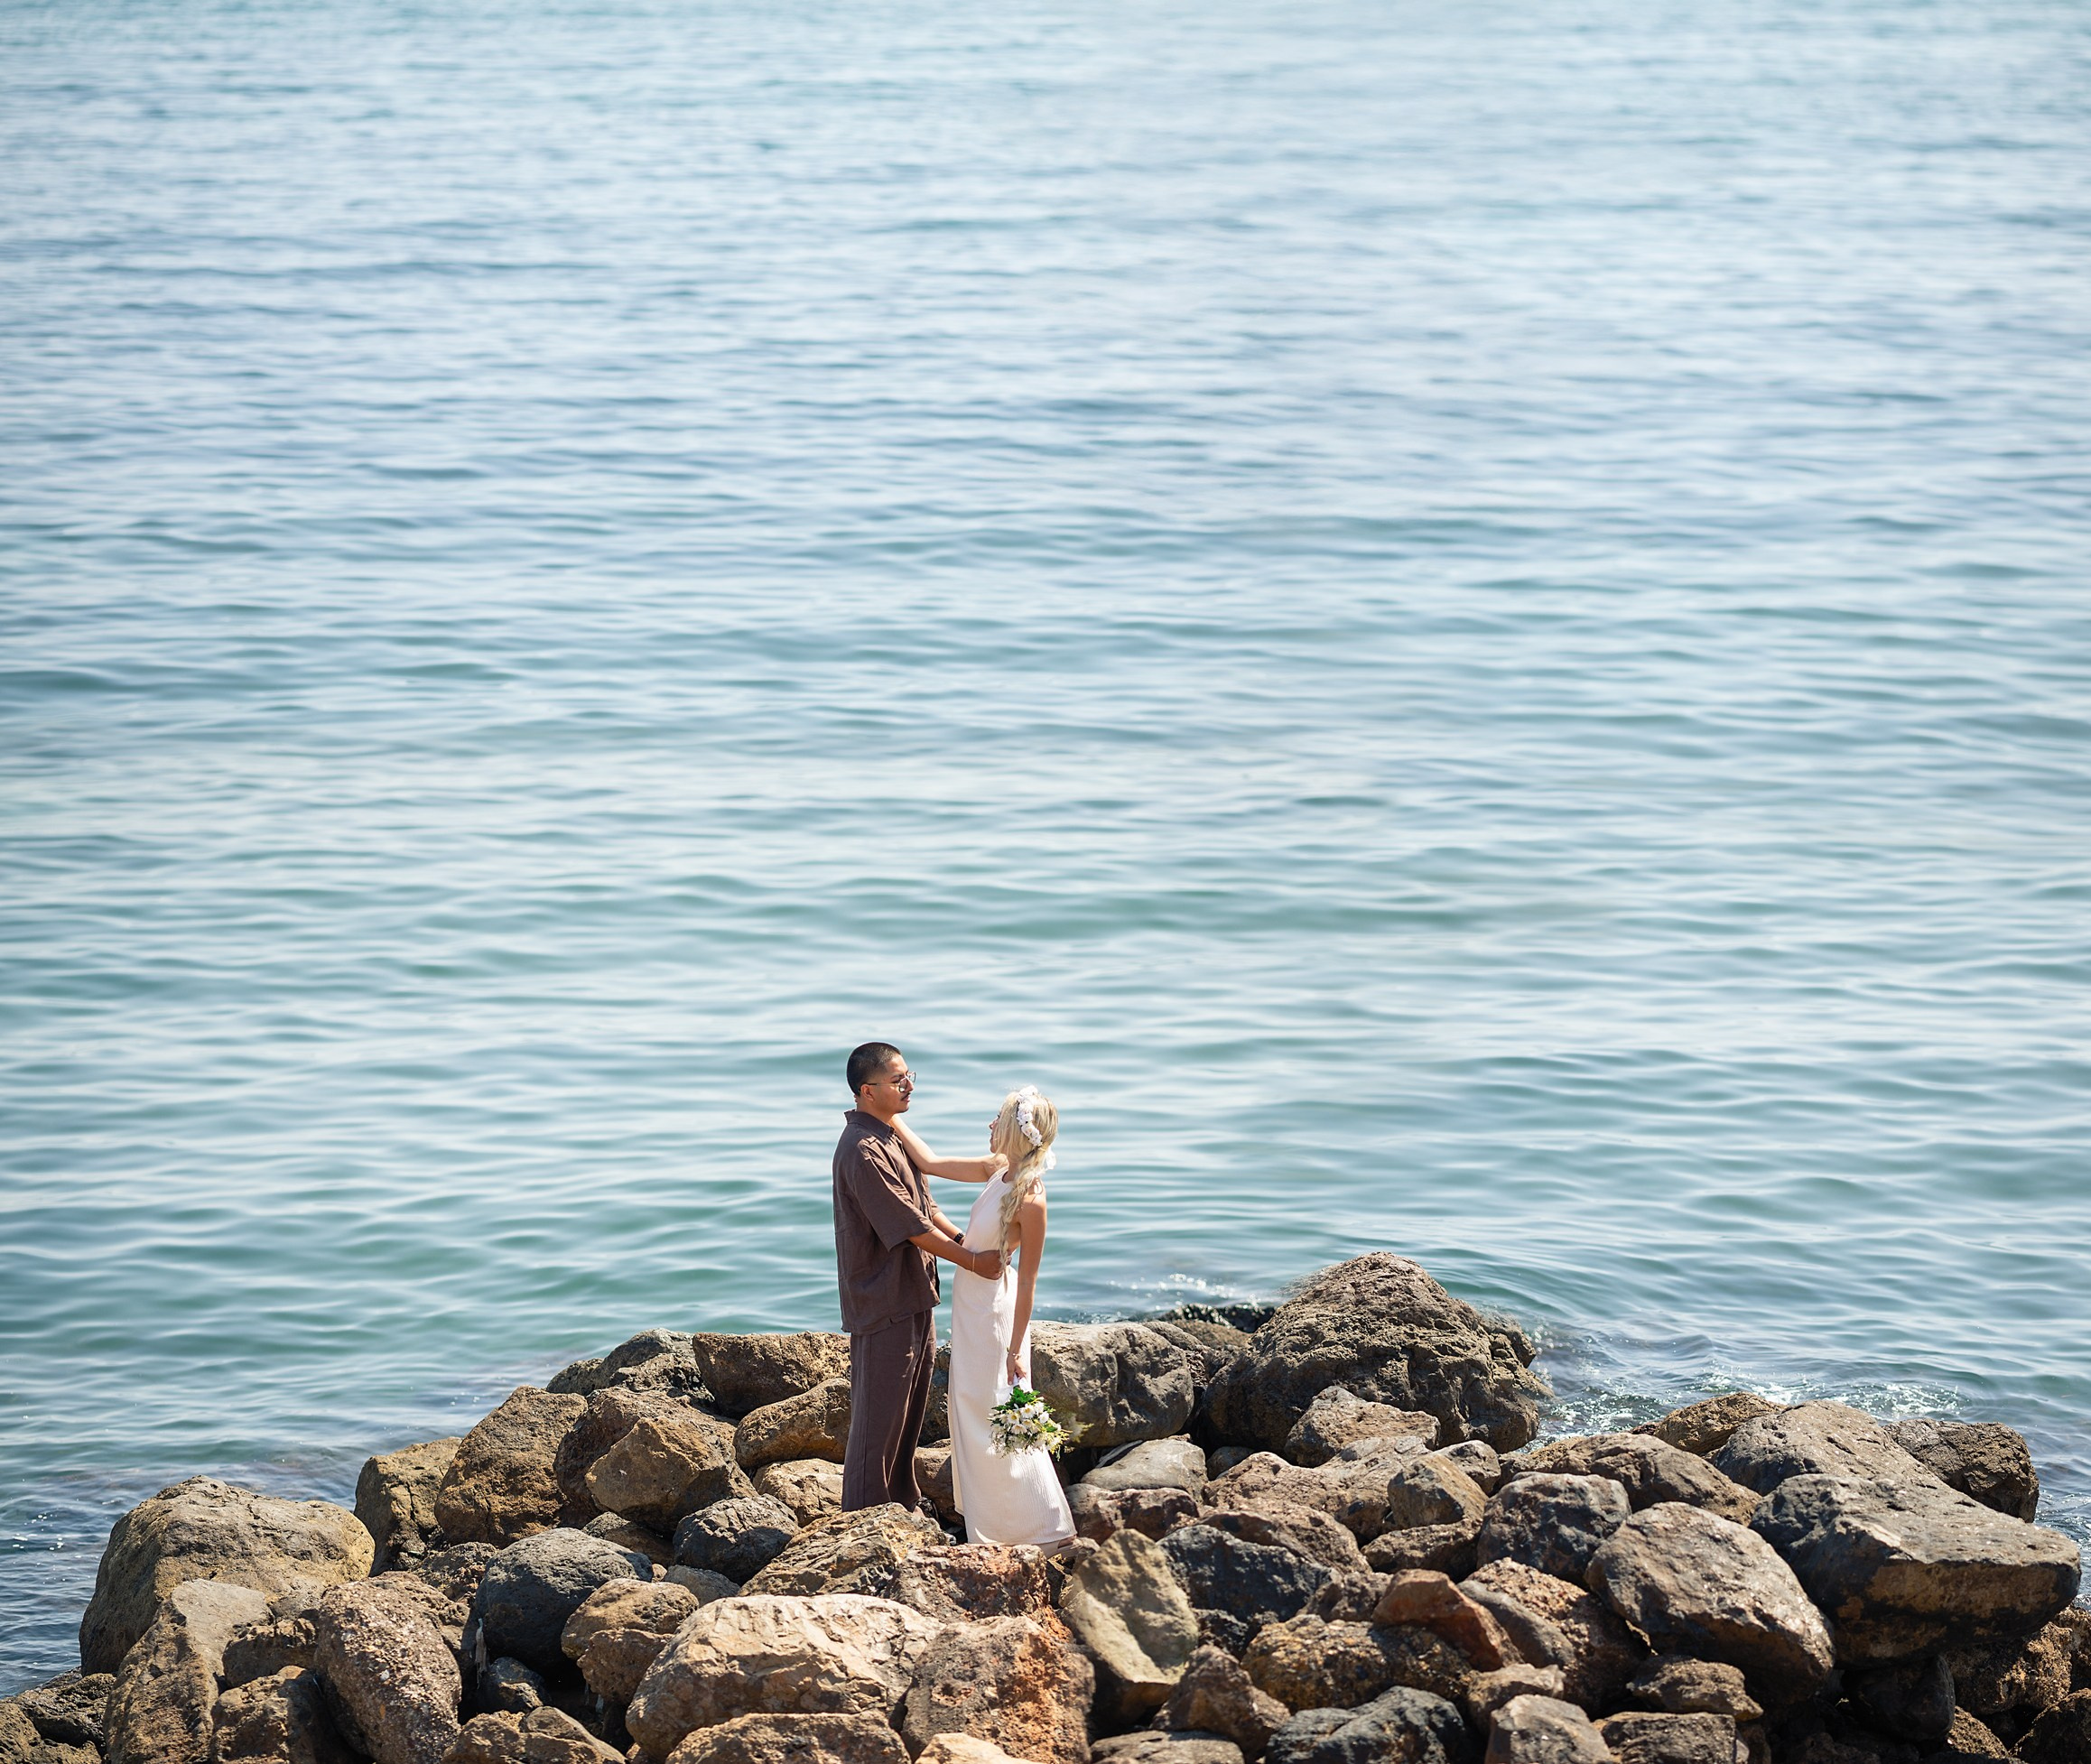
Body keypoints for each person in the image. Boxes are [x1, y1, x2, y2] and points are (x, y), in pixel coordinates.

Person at [832, 1042, 1006, 1514]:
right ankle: (864, 1520)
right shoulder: (863, 1151)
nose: (909, 1086)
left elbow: (926, 1206)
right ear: (868, 1091)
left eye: (910, 1075)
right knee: (878, 1421)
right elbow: (909, 1226)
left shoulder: (891, 1134)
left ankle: (901, 1507)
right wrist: (970, 1261)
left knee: (907, 1414)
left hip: (912, 1294)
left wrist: (964, 1240)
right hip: (882, 1299)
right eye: (897, 1080)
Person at [941, 1085, 1075, 1550]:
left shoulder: (1031, 1199)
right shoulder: (998, 1170)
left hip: (996, 1315)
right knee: (969, 1410)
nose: (989, 1126)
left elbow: (1031, 1280)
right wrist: (881, 1115)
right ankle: (992, 1525)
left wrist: (1017, 1350)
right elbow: (929, 1163)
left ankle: (1039, 1528)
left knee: (997, 1417)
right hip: (971, 1305)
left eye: (996, 1120)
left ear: (1017, 1135)